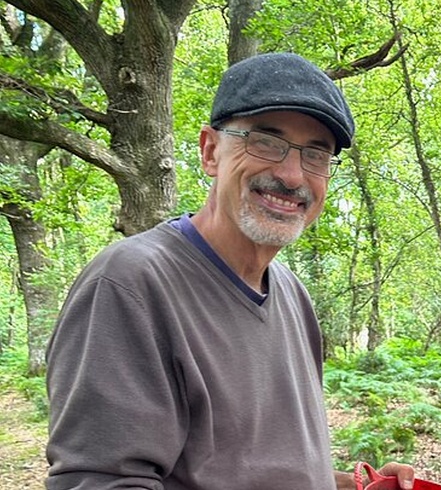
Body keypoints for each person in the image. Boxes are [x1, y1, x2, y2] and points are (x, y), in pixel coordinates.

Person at [45, 53, 415, 490]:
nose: (291, 175)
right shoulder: (132, 284)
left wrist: (348, 485)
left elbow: (257, 470)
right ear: (210, 152)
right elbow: (100, 482)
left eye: (316, 154)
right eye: (266, 141)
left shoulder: (291, 293)